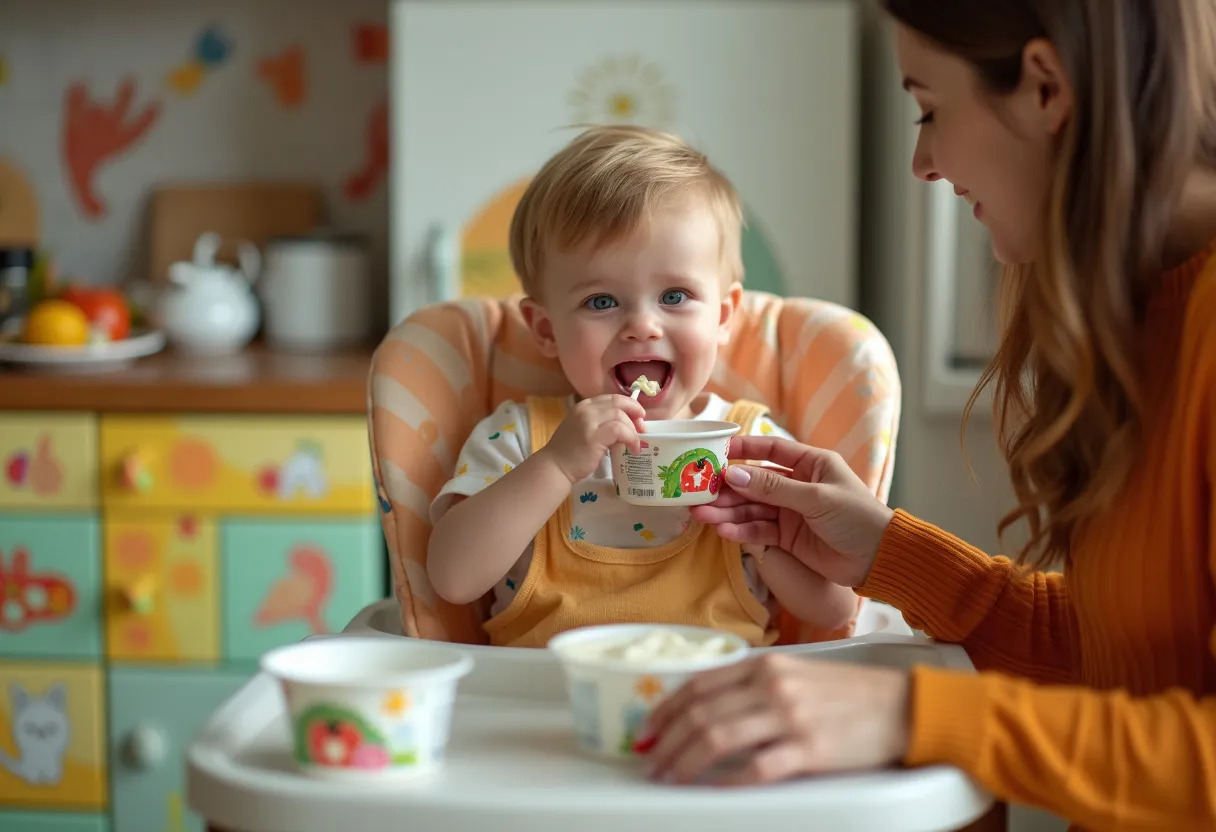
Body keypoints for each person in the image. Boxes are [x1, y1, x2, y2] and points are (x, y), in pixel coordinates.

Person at [640, 1, 1216, 829]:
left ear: (1046, 88)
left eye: (929, 107)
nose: (922, 161)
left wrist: (909, 715)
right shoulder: (1150, 309)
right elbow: (1119, 656)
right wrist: (883, 548)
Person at [426, 125, 859, 649]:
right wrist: (558, 464)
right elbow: (452, 579)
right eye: (602, 302)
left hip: (716, 708)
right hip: (548, 702)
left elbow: (834, 608)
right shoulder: (520, 438)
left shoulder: (749, 443)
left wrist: (763, 533)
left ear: (724, 317)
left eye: (674, 296)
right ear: (545, 330)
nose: (642, 326)